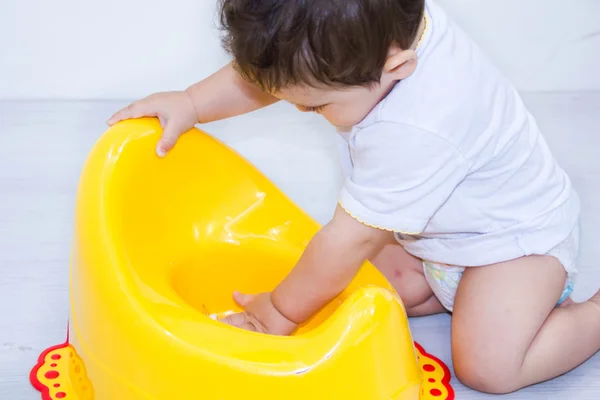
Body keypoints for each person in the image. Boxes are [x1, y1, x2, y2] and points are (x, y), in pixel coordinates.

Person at [108, 0, 600, 394]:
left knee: (488, 366)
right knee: (350, 296)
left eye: (316, 105)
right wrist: (192, 103)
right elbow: (273, 77)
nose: (302, 112)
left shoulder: (419, 127)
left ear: (398, 67)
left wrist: (276, 313)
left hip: (512, 246)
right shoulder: (379, 34)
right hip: (433, 238)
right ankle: (444, 291)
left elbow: (348, 241)